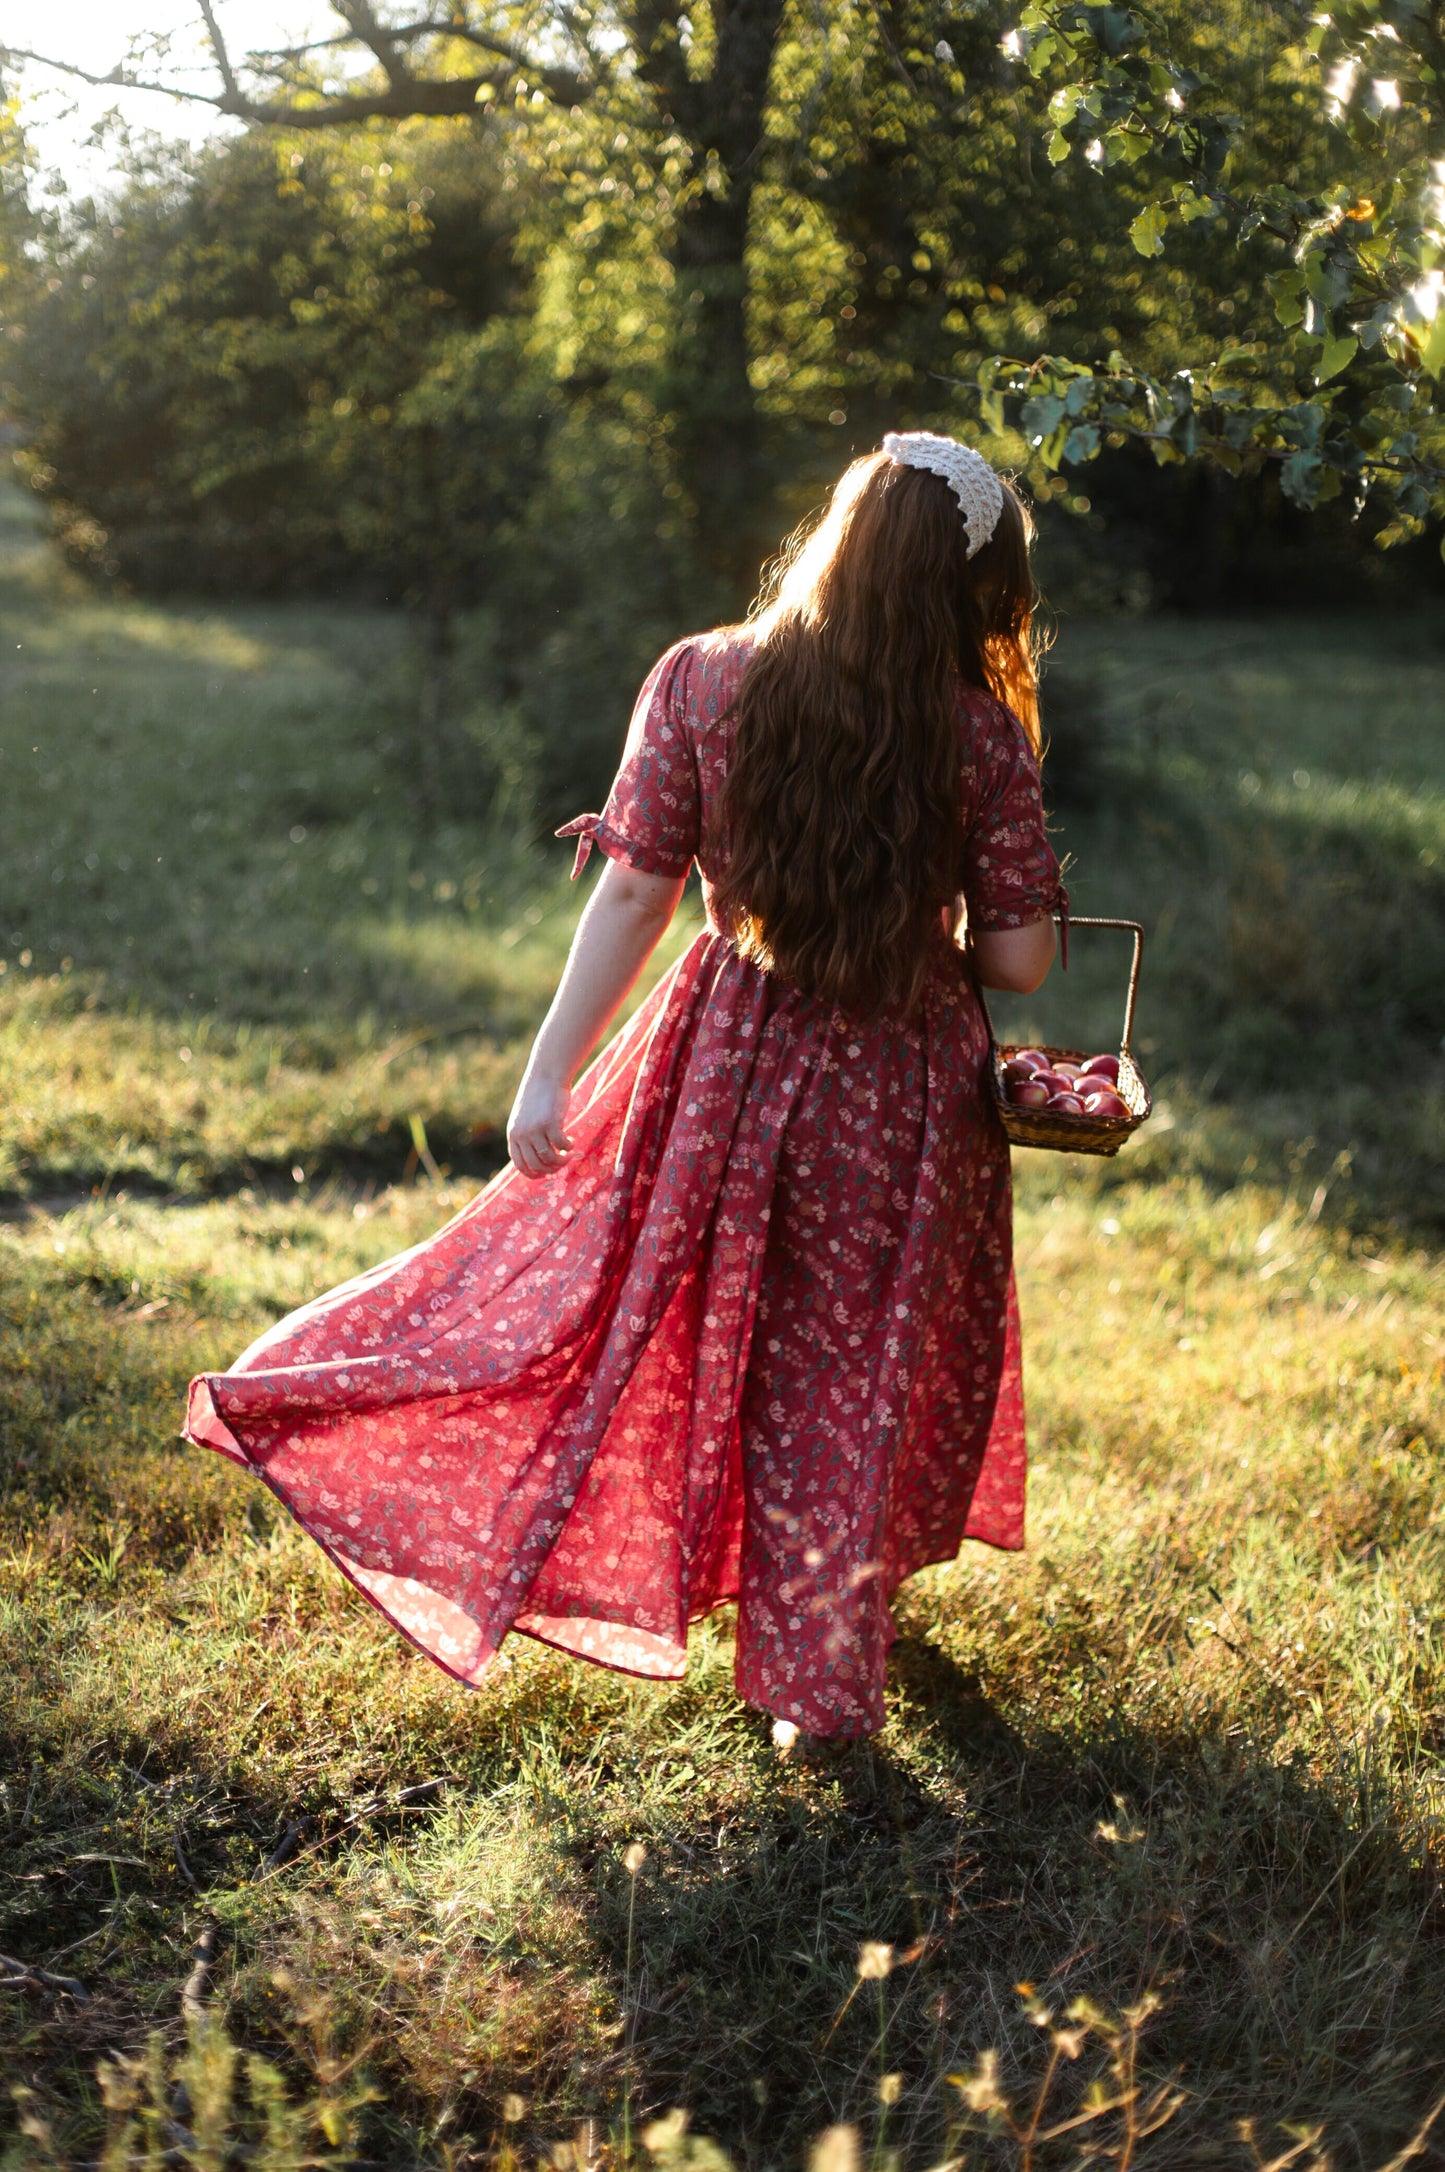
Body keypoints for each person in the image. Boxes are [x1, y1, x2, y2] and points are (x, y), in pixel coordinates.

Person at [184, 432, 1064, 1739]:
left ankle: (787, 1618)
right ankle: (818, 1672)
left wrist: (547, 1072)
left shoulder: (705, 680)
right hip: (895, 1083)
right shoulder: (973, 734)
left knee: (677, 1324)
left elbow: (637, 886)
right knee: (848, 1358)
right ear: (968, 582)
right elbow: (1021, 961)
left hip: (725, 1057)